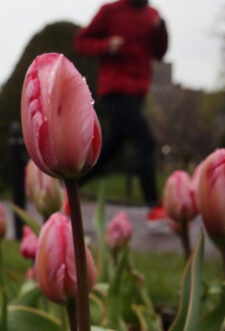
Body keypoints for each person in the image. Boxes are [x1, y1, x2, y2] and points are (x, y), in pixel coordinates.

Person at [74, 0, 168, 226]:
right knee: (146, 141)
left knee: (110, 150)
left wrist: (161, 28)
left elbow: (159, 53)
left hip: (138, 93)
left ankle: (70, 187)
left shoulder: (152, 15)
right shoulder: (110, 11)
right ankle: (153, 206)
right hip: (115, 91)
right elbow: (81, 42)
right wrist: (107, 45)